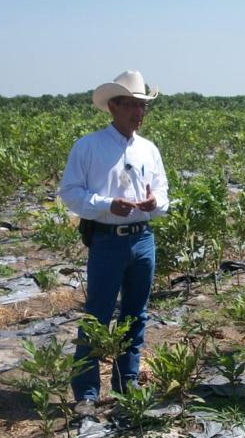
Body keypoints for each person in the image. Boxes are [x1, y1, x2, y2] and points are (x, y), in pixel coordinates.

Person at [59, 71, 169, 417]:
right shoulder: (88, 147)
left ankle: (127, 385)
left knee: (136, 315)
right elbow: (70, 194)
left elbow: (164, 194)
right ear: (113, 107)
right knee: (97, 316)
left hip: (143, 239)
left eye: (143, 106)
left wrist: (155, 206)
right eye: (133, 106)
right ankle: (87, 394)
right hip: (107, 241)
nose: (140, 113)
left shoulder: (149, 149)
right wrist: (108, 205)